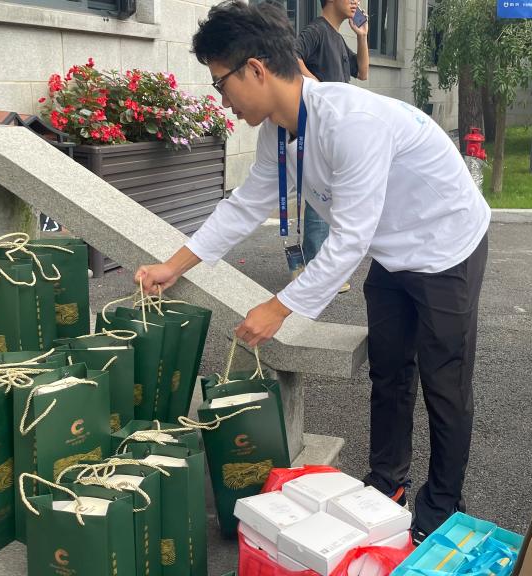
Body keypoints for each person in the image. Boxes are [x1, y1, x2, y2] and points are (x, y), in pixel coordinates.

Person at [133, 0, 490, 543]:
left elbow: (348, 240)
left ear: (256, 69)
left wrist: (278, 309)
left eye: (221, 83)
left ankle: (443, 505)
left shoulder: (353, 124)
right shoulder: (279, 129)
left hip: (447, 247)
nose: (223, 100)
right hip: (392, 249)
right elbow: (244, 206)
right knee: (390, 372)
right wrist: (172, 265)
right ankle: (387, 483)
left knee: (445, 381)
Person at [296, 0, 369, 293]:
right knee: (319, 196)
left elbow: (363, 71)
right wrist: (317, 86)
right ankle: (316, 270)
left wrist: (362, 36)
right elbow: (291, 57)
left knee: (331, 198)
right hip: (318, 127)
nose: (356, 2)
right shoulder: (316, 30)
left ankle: (319, 268)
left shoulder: (336, 37)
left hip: (335, 129)